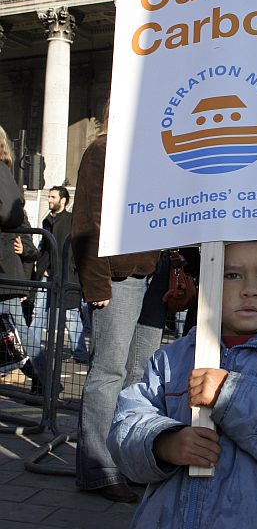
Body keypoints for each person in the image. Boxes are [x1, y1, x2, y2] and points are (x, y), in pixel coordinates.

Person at [107, 238, 257, 529]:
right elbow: (125, 423)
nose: (249, 289)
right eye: (231, 275)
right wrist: (163, 442)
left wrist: (232, 394)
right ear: (208, 278)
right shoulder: (174, 357)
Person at [71, 102, 166, 503]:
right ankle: (98, 469)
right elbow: (88, 222)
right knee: (108, 371)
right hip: (119, 279)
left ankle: (128, 461)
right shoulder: (102, 150)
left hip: (152, 275)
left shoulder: (154, 153)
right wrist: (96, 285)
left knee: (140, 374)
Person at [0, 126, 46, 389]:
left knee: (18, 333)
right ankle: (43, 381)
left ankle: (46, 382)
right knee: (15, 332)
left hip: (4, 269)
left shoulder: (1, 170)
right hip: (4, 268)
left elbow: (13, 215)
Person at [32, 185, 88, 363]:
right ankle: (32, 350)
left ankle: (80, 353)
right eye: (49, 196)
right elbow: (45, 250)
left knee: (71, 315)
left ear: (63, 200)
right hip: (48, 276)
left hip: (66, 276)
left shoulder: (71, 221)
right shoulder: (47, 221)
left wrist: (73, 270)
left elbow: (77, 249)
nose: (49, 199)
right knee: (38, 313)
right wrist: (41, 270)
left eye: (53, 197)